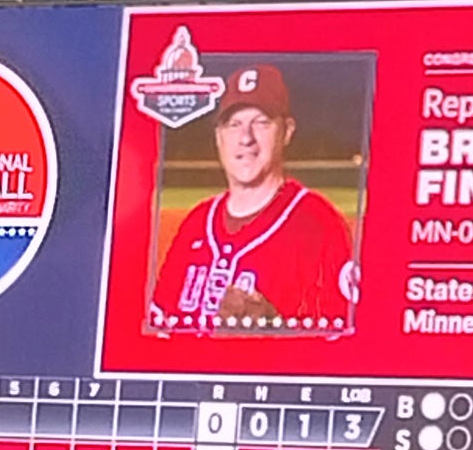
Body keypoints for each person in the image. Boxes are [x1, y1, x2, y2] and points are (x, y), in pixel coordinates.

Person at [149, 64, 359, 336]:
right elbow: (158, 330)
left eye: (261, 122)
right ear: (218, 137)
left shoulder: (320, 227)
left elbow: (346, 350)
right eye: (234, 124)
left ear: (286, 131)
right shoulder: (195, 222)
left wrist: (274, 331)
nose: (245, 138)